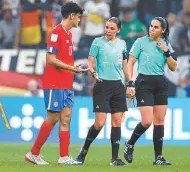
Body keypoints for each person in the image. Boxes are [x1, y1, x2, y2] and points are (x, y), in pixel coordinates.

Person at [25, 1, 87, 165]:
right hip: (55, 83)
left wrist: (71, 69)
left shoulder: (68, 34)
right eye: (78, 17)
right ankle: (33, 153)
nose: (79, 20)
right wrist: (71, 68)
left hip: (66, 83)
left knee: (66, 118)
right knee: (53, 117)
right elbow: (50, 60)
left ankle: (64, 157)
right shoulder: (56, 32)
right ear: (72, 16)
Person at [76, 17, 135, 166]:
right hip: (102, 85)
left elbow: (125, 65)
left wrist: (130, 83)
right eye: (107, 27)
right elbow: (90, 61)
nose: (108, 31)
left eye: (111, 29)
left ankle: (114, 158)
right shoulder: (97, 42)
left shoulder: (122, 44)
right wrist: (92, 70)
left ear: (118, 30)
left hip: (117, 86)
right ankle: (83, 151)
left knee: (116, 122)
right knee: (99, 123)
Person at [123, 17, 177, 165]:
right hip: (144, 82)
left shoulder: (165, 44)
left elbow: (173, 67)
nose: (151, 29)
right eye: (151, 26)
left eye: (155, 27)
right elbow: (131, 62)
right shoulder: (140, 42)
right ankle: (130, 143)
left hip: (160, 83)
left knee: (159, 121)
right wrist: (130, 82)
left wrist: (166, 51)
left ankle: (158, 158)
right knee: (147, 121)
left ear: (163, 30)